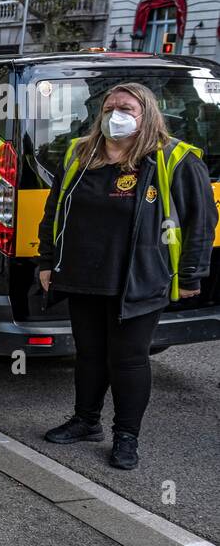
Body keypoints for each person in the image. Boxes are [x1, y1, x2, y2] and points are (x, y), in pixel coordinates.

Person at [36, 82, 215, 470]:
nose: (115, 114)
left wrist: (190, 275)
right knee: (89, 355)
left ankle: (126, 436)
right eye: (109, 107)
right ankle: (86, 421)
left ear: (146, 114)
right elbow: (55, 211)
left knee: (129, 359)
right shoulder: (81, 154)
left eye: (127, 108)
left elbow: (201, 222)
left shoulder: (175, 159)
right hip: (83, 274)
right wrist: (47, 261)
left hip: (140, 278)